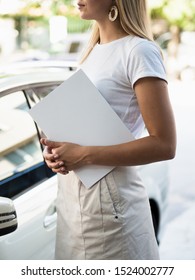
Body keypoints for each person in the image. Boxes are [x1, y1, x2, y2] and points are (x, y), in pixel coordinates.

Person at [41, 0, 176, 260]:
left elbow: (165, 144)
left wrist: (82, 154)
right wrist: (55, 154)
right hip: (72, 200)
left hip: (111, 204)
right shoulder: (91, 52)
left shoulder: (139, 51)